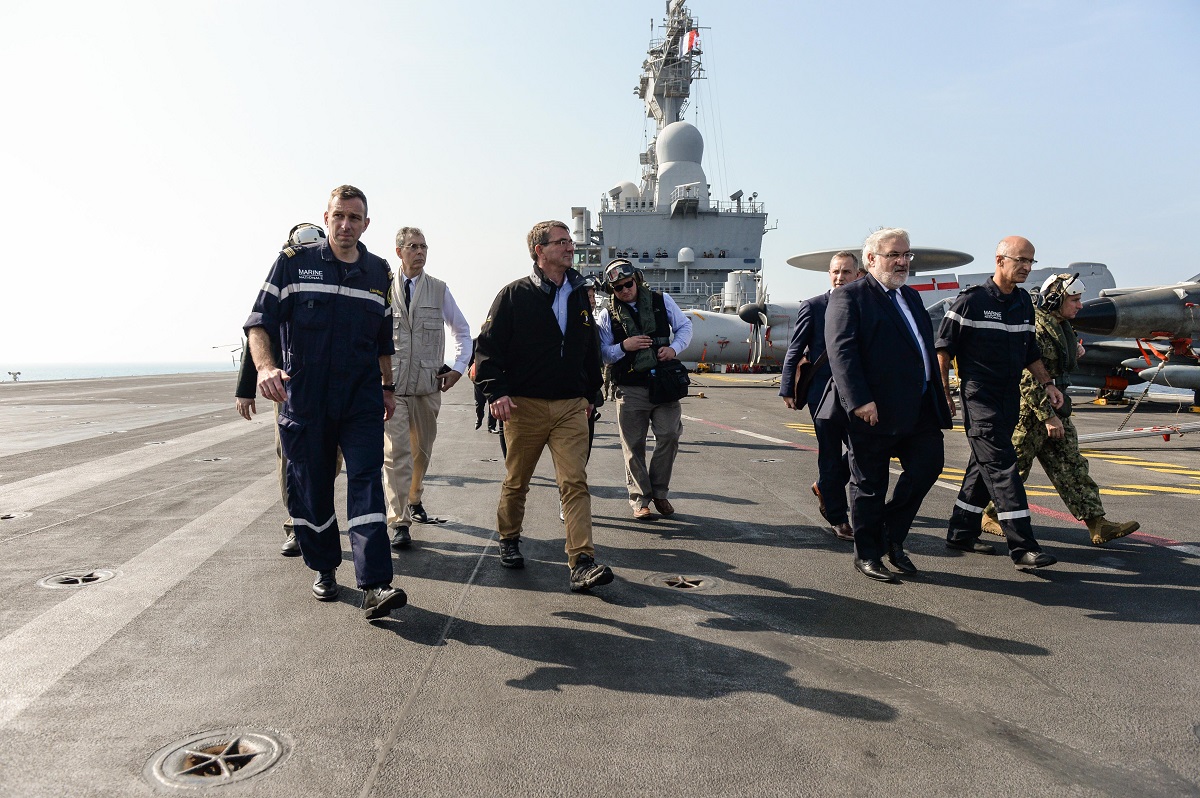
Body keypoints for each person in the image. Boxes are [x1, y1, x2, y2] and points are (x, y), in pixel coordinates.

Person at [245, 185, 407, 620]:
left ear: (366, 224)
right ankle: (324, 566)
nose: (346, 225)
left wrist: (388, 387)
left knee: (367, 482)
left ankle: (375, 584)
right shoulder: (294, 264)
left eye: (355, 218)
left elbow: (381, 339)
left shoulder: (378, 272)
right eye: (339, 216)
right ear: (327, 216)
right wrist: (263, 369)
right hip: (306, 401)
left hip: (360, 400)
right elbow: (259, 323)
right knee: (312, 489)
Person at [474, 220, 612, 592]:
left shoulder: (581, 294)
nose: (570, 247)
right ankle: (508, 539)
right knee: (517, 481)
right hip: (524, 406)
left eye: (570, 242)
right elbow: (487, 349)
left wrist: (590, 395)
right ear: (540, 250)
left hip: (570, 406)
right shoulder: (514, 295)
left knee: (575, 482)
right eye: (562, 242)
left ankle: (582, 561)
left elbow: (589, 350)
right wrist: (496, 393)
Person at [821, 228, 952, 583]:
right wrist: (860, 400)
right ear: (871, 259)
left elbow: (924, 350)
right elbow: (841, 352)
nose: (902, 261)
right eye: (894, 254)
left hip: (919, 407)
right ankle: (867, 554)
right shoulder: (849, 297)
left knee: (928, 466)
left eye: (906, 255)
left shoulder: (910, 297)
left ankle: (890, 535)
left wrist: (941, 393)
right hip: (873, 410)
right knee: (869, 484)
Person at [980, 273, 1140, 545]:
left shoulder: (1061, 326)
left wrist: (1073, 351)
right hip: (1031, 414)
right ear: (1055, 299)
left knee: (1072, 466)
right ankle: (988, 515)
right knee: (1014, 469)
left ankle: (1097, 524)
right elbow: (1028, 379)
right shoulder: (1039, 331)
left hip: (1054, 408)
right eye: (1074, 299)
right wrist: (1048, 417)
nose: (1080, 305)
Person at [936, 236, 1064, 571]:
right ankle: (1023, 546)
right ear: (999, 260)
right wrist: (944, 392)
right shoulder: (971, 302)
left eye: (1030, 262)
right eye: (1020, 260)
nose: (1026, 267)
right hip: (979, 396)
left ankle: (961, 531)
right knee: (1003, 466)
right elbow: (943, 351)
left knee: (983, 466)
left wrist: (1047, 383)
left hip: (1010, 396)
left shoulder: (1023, 302)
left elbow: (1030, 352)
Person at [235, 222, 325, 557]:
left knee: (328, 462)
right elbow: (258, 332)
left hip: (332, 390)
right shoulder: (282, 280)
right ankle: (296, 524)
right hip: (288, 390)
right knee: (289, 458)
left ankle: (316, 518)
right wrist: (246, 388)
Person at [382, 227, 472, 549]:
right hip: (391, 389)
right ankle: (399, 520)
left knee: (420, 453)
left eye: (423, 247)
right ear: (399, 252)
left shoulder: (439, 290)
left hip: (427, 388)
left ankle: (415, 496)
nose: (419, 252)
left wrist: (458, 369)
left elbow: (463, 331)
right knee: (396, 455)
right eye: (413, 247)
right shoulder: (382, 289)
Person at [596, 258, 692, 520]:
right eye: (618, 288)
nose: (625, 291)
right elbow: (604, 353)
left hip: (664, 384)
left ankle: (659, 491)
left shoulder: (662, 302)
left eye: (628, 284)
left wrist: (674, 348)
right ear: (612, 290)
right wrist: (624, 347)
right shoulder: (607, 315)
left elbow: (685, 326)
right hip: (630, 387)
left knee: (669, 435)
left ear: (635, 280)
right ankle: (640, 500)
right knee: (633, 445)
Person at [779, 251, 864, 541]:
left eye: (846, 272)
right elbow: (795, 348)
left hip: (856, 392)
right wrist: (787, 387)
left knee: (862, 450)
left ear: (858, 275)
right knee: (829, 454)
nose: (840, 277)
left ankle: (824, 487)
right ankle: (838, 517)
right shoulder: (814, 306)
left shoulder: (865, 304)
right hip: (822, 393)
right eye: (835, 272)